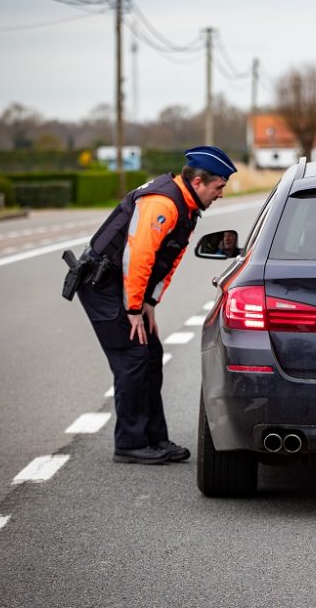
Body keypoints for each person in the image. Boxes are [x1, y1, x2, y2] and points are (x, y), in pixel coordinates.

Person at [77, 146, 236, 464]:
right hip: (104, 286)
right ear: (199, 182)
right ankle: (130, 442)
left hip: (123, 289)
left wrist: (149, 302)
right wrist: (134, 309)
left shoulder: (187, 205)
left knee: (150, 353)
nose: (220, 195)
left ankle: (154, 438)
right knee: (134, 358)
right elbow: (138, 256)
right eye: (218, 187)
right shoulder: (163, 203)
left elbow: (170, 259)